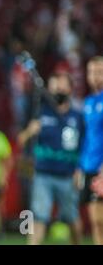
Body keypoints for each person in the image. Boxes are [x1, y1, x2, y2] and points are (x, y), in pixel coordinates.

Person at [18, 72, 83, 245]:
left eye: (62, 86)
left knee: (72, 219)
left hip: (67, 176)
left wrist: (79, 170)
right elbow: (21, 139)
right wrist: (30, 131)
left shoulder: (77, 116)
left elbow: (85, 145)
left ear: (70, 88)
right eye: (55, 86)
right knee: (38, 217)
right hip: (43, 175)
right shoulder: (40, 113)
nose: (58, 90)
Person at [78, 56, 103, 245]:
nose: (95, 76)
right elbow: (88, 137)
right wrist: (80, 166)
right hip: (89, 167)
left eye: (99, 72)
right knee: (95, 221)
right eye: (91, 72)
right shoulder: (88, 102)